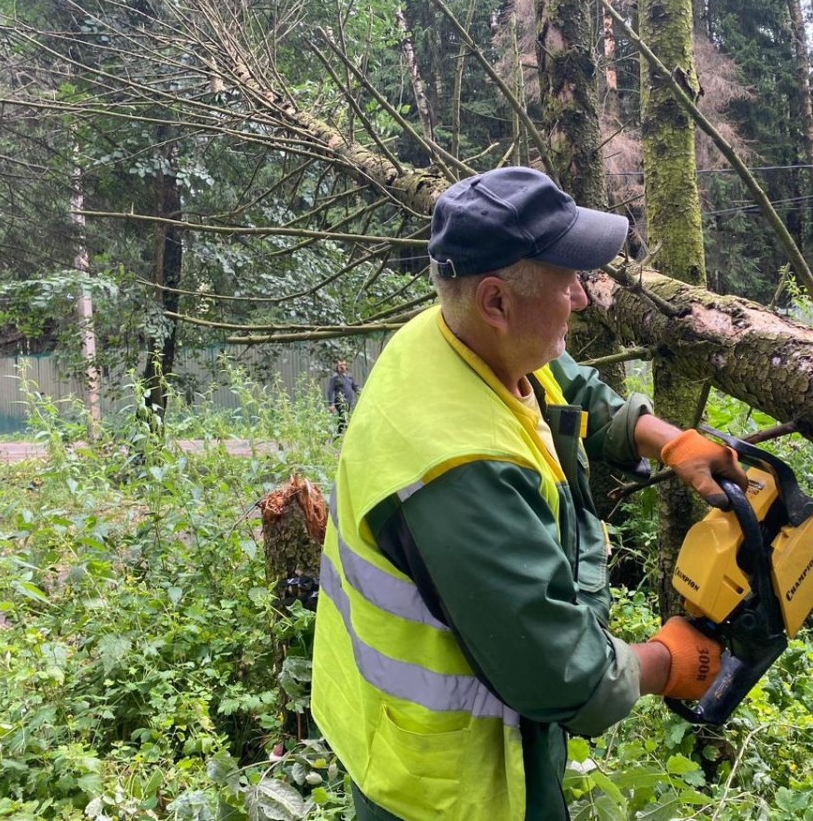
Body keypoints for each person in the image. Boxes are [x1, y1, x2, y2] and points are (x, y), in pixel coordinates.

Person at [311, 166, 749, 821]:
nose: (582, 298)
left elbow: (565, 385)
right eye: (568, 280)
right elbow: (559, 675)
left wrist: (667, 440)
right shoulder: (459, 471)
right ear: (496, 301)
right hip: (446, 781)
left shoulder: (454, 337)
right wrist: (665, 662)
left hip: (467, 728)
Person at [325, 360, 361, 435]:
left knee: (343, 420)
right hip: (340, 402)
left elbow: (356, 388)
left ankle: (340, 436)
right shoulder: (335, 378)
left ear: (346, 366)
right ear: (337, 367)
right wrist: (331, 404)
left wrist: (362, 394)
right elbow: (330, 391)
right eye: (340, 365)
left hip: (348, 403)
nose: (342, 367)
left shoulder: (350, 377)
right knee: (343, 419)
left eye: (343, 365)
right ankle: (342, 435)